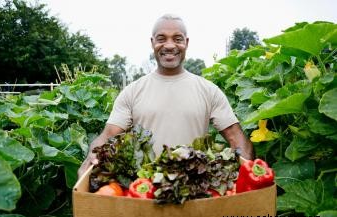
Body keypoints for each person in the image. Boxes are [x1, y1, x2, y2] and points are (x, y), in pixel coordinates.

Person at [78, 14, 254, 178]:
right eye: (161, 39)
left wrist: (248, 173)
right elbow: (108, 135)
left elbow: (236, 137)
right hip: (145, 189)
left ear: (187, 42)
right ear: (152, 42)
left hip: (195, 188)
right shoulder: (132, 92)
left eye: (177, 39)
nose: (169, 45)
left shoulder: (209, 90)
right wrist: (91, 158)